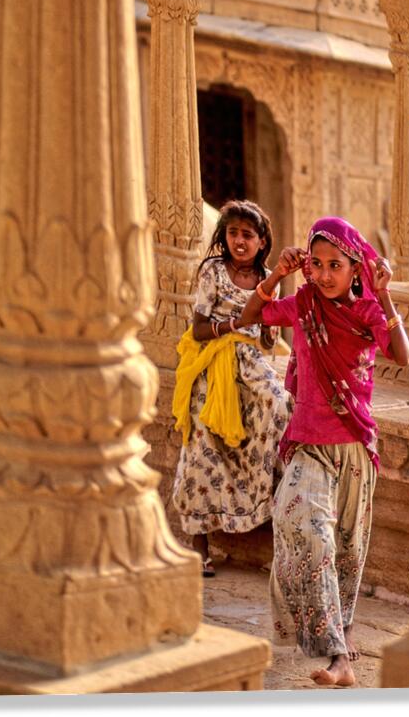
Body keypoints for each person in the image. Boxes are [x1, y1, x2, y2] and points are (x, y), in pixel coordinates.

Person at [232, 216, 409, 687]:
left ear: (356, 269)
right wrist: (276, 276)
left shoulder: (368, 312)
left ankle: (342, 650)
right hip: (307, 444)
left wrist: (384, 293)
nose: (325, 273)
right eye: (317, 264)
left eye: (336, 265)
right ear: (307, 268)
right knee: (307, 530)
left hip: (353, 447)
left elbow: (403, 355)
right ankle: (336, 649)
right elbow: (253, 316)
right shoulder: (303, 304)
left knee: (347, 551)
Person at [171, 199, 291, 577]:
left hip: (250, 365)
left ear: (261, 241)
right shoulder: (213, 271)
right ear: (224, 236)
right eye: (234, 233)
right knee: (201, 448)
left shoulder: (269, 277)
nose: (240, 241)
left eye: (248, 235)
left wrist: (268, 328)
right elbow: (199, 327)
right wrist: (234, 325)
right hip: (212, 364)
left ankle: (277, 532)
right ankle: (200, 547)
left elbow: (269, 343)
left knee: (281, 410)